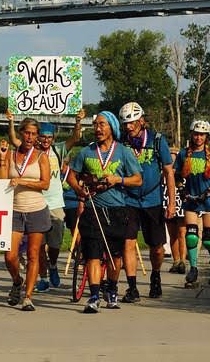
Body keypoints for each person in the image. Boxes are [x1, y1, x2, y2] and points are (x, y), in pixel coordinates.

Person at [67, 112, 142, 313]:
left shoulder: (124, 152)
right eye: (95, 125)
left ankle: (112, 288)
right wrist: (78, 190)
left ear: (112, 127)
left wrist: (118, 180)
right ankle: (93, 296)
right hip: (92, 209)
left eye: (102, 124)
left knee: (114, 256)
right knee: (92, 255)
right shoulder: (86, 152)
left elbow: (138, 179)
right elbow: (71, 175)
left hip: (117, 210)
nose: (98, 129)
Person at [6, 109, 85, 291]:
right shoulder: (31, 151)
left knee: (55, 243)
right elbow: (13, 140)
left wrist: (78, 121)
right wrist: (11, 121)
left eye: (49, 137)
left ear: (53, 138)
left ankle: (53, 265)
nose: (45, 140)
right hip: (36, 204)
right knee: (38, 247)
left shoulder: (58, 150)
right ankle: (43, 276)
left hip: (56, 203)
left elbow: (75, 137)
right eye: (42, 136)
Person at [118, 102, 176, 301]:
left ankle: (156, 275)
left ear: (141, 121)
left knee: (157, 247)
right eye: (125, 124)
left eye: (132, 123)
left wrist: (171, 203)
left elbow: (168, 172)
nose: (128, 127)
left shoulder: (157, 140)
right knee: (128, 242)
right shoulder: (121, 142)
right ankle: (132, 287)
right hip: (128, 199)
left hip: (152, 199)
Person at [0, 118, 50, 311]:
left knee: (33, 254)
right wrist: (2, 159)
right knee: (10, 256)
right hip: (15, 210)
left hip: (36, 210)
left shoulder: (41, 156)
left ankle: (28, 297)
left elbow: (45, 184)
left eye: (34, 134)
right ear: (20, 133)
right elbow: (2, 180)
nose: (30, 137)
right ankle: (17, 281)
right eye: (27, 133)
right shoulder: (11, 154)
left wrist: (22, 181)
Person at [173, 120, 210, 288]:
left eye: (202, 135)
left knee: (209, 237)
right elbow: (176, 175)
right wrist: (181, 188)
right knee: (191, 234)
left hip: (208, 199)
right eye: (196, 134)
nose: (198, 137)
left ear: (206, 137)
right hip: (191, 199)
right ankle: (193, 268)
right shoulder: (183, 154)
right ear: (191, 134)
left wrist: (209, 191)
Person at [164, 147, 187, 274]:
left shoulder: (182, 171)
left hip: (181, 203)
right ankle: (176, 260)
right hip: (167, 203)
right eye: (170, 155)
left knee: (182, 233)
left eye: (174, 155)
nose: (172, 157)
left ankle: (183, 260)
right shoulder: (163, 171)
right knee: (172, 234)